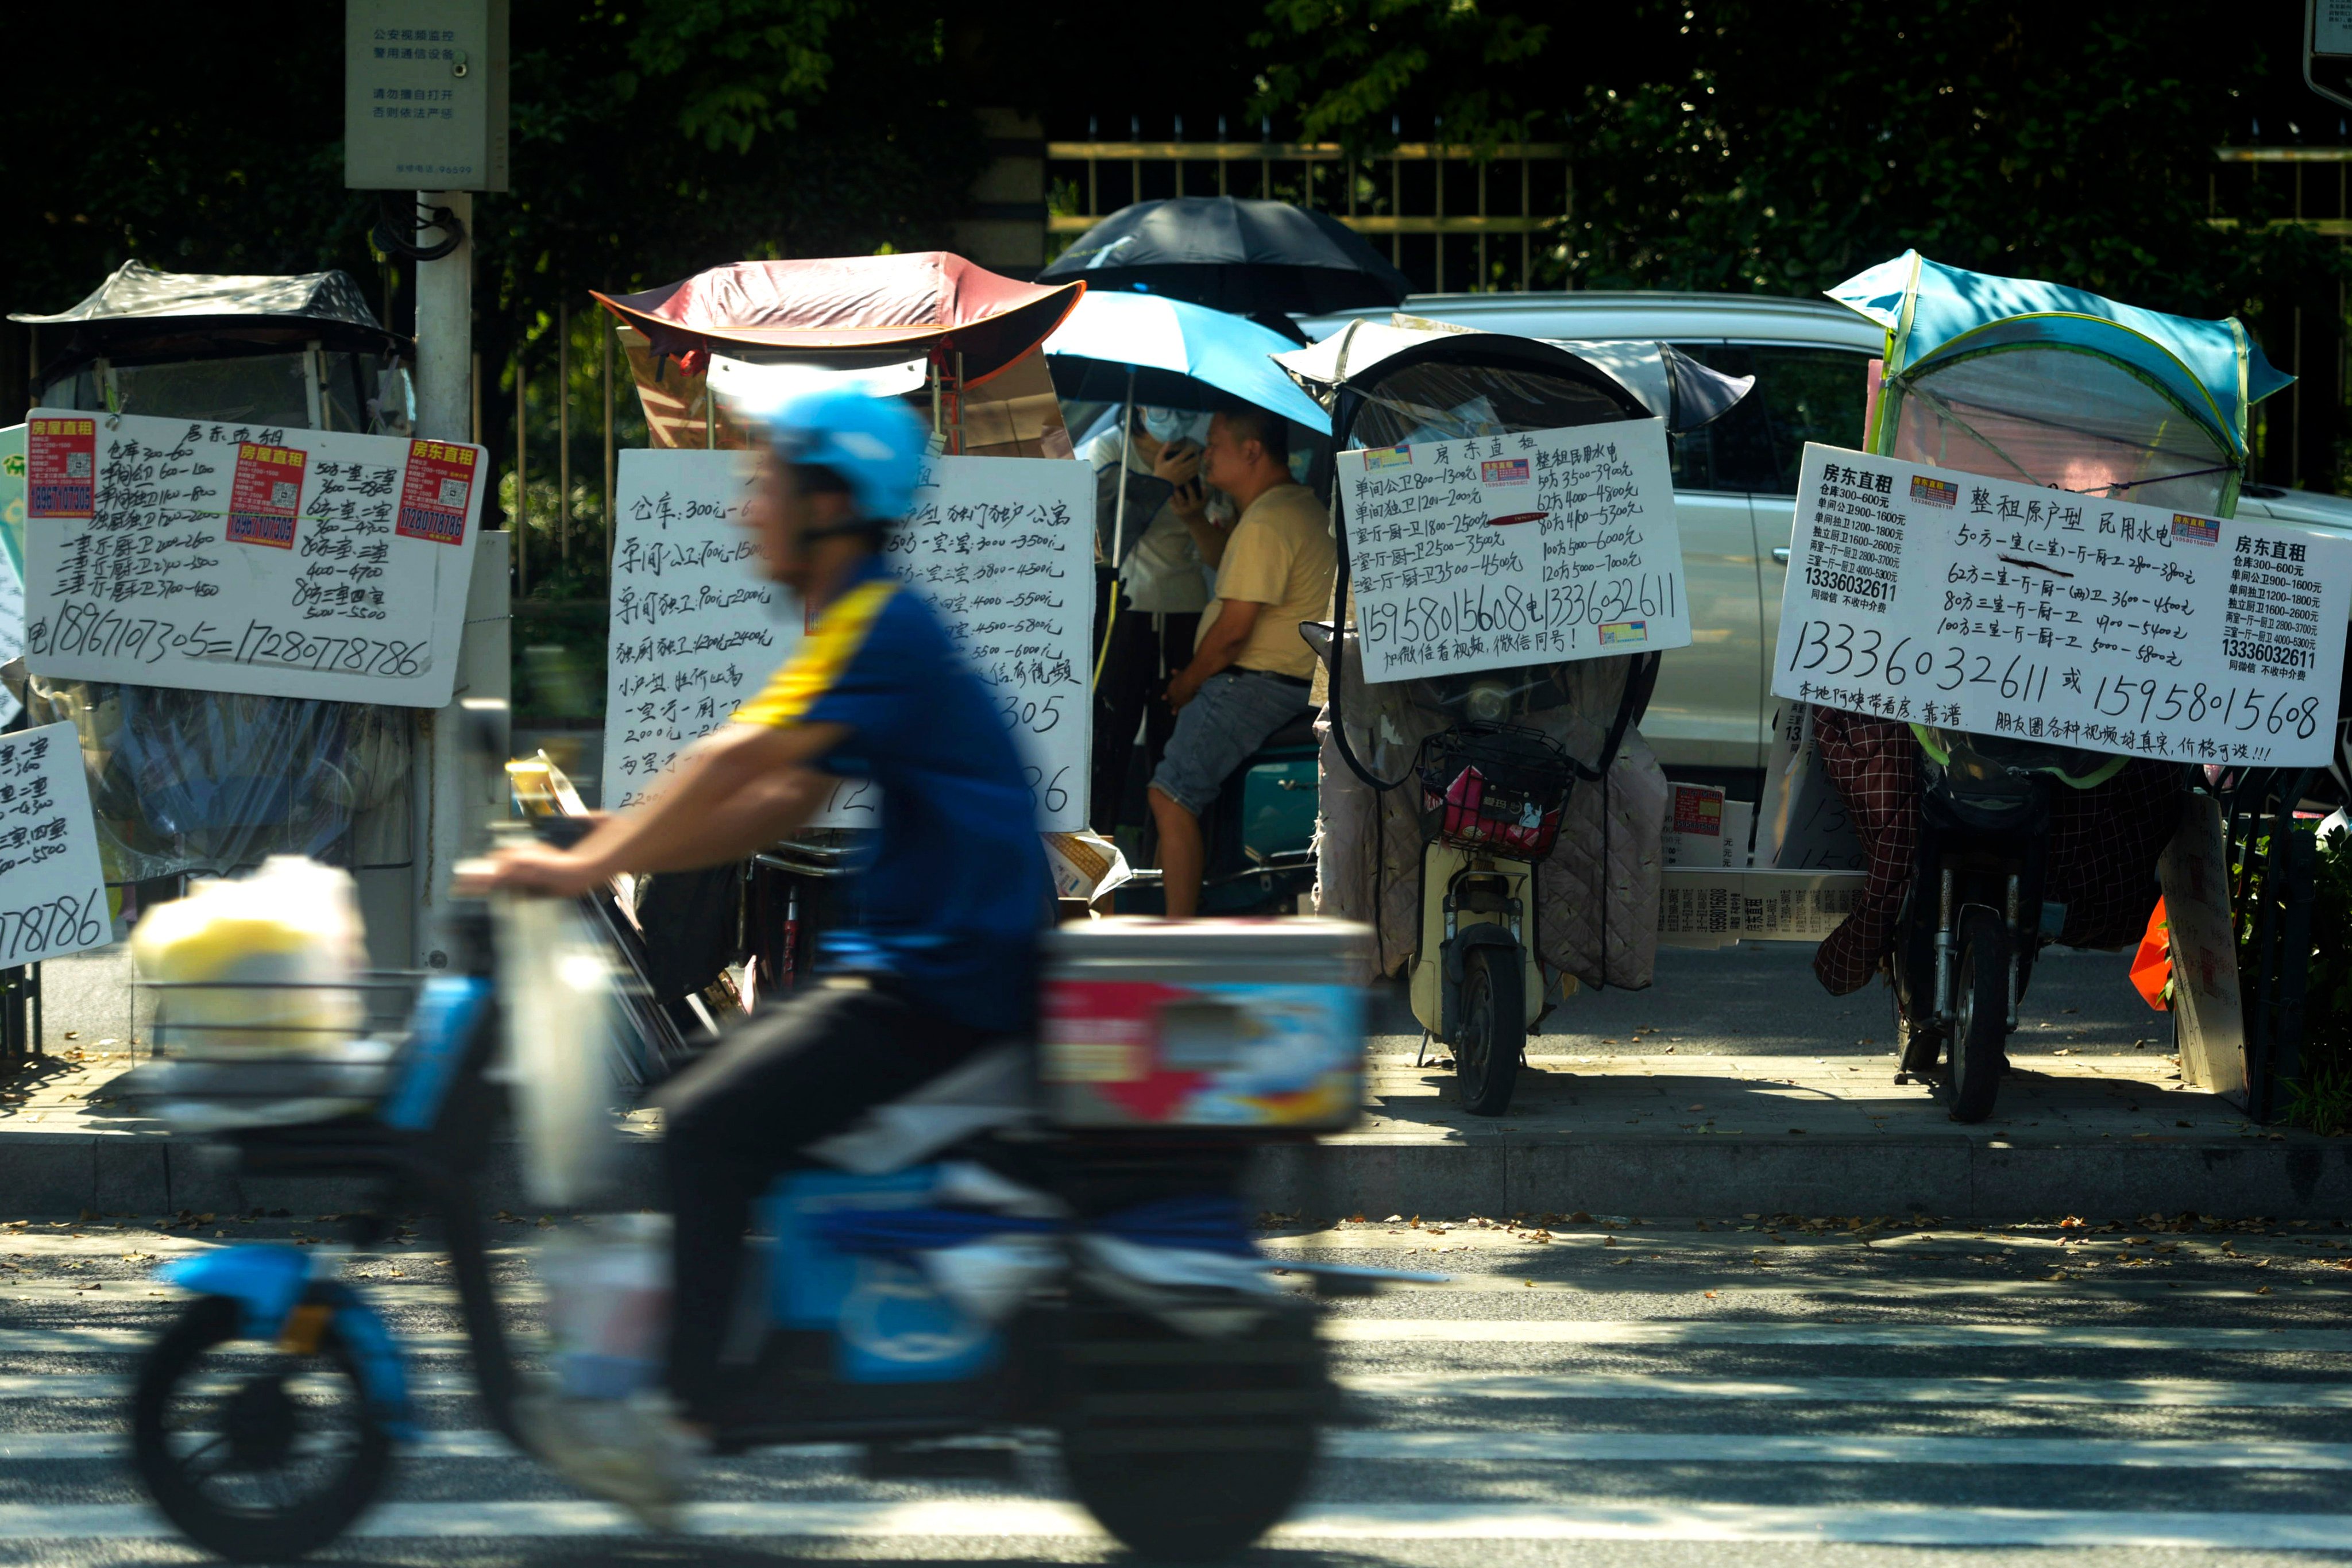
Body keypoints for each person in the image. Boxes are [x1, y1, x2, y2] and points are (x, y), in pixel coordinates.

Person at [461, 384, 1051, 1495]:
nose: (749, 510)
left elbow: (737, 763)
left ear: (832, 502)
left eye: (769, 485)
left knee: (700, 1122)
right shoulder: (864, 624)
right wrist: (616, 838)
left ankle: (686, 1417)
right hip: (926, 969)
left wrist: (588, 862)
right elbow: (781, 798)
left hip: (947, 981)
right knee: (710, 1081)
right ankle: (783, 1350)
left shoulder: (879, 623)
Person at [1147, 403, 1335, 917]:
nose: (1205, 455)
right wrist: (1192, 520)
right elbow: (1228, 560)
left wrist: (1185, 683)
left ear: (1250, 450)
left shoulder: (1270, 519)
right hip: (1286, 683)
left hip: (1255, 684)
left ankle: (1177, 935)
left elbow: (1232, 633)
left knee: (1170, 795)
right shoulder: (1287, 507)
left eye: (1214, 444)